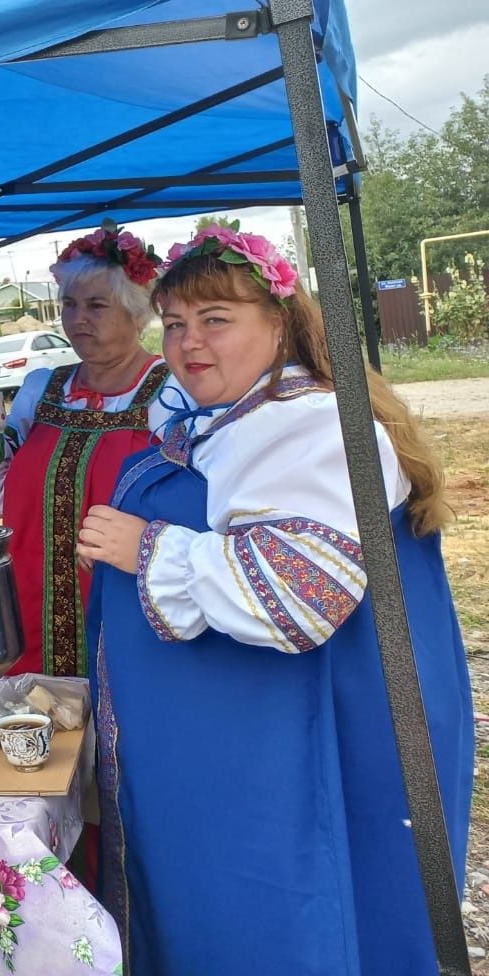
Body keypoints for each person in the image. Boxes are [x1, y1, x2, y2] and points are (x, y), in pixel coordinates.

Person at [76, 225, 473, 974]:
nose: (190, 343)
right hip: (248, 742)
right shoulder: (238, 414)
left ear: (280, 323)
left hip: (310, 741)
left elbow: (300, 595)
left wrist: (149, 548)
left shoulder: (311, 427)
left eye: (217, 320)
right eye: (177, 324)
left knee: (309, 913)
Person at [0, 223, 168, 677]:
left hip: (129, 605)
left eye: (97, 306)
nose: (77, 319)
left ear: (137, 315)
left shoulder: (169, 393)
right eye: (69, 305)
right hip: (31, 605)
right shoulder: (41, 390)